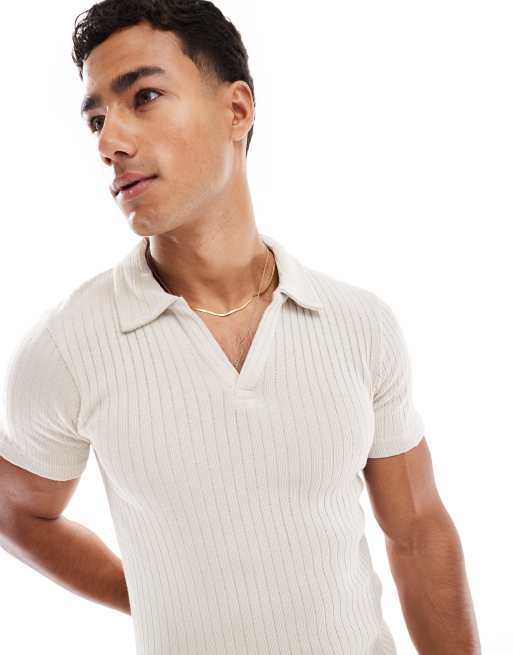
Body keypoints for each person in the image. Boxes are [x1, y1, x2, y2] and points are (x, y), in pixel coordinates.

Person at [0, 1, 481, 653]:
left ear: (236, 109)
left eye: (144, 96)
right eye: (96, 120)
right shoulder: (67, 345)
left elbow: (418, 530)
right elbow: (18, 511)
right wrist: (152, 593)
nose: (110, 142)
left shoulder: (358, 323)